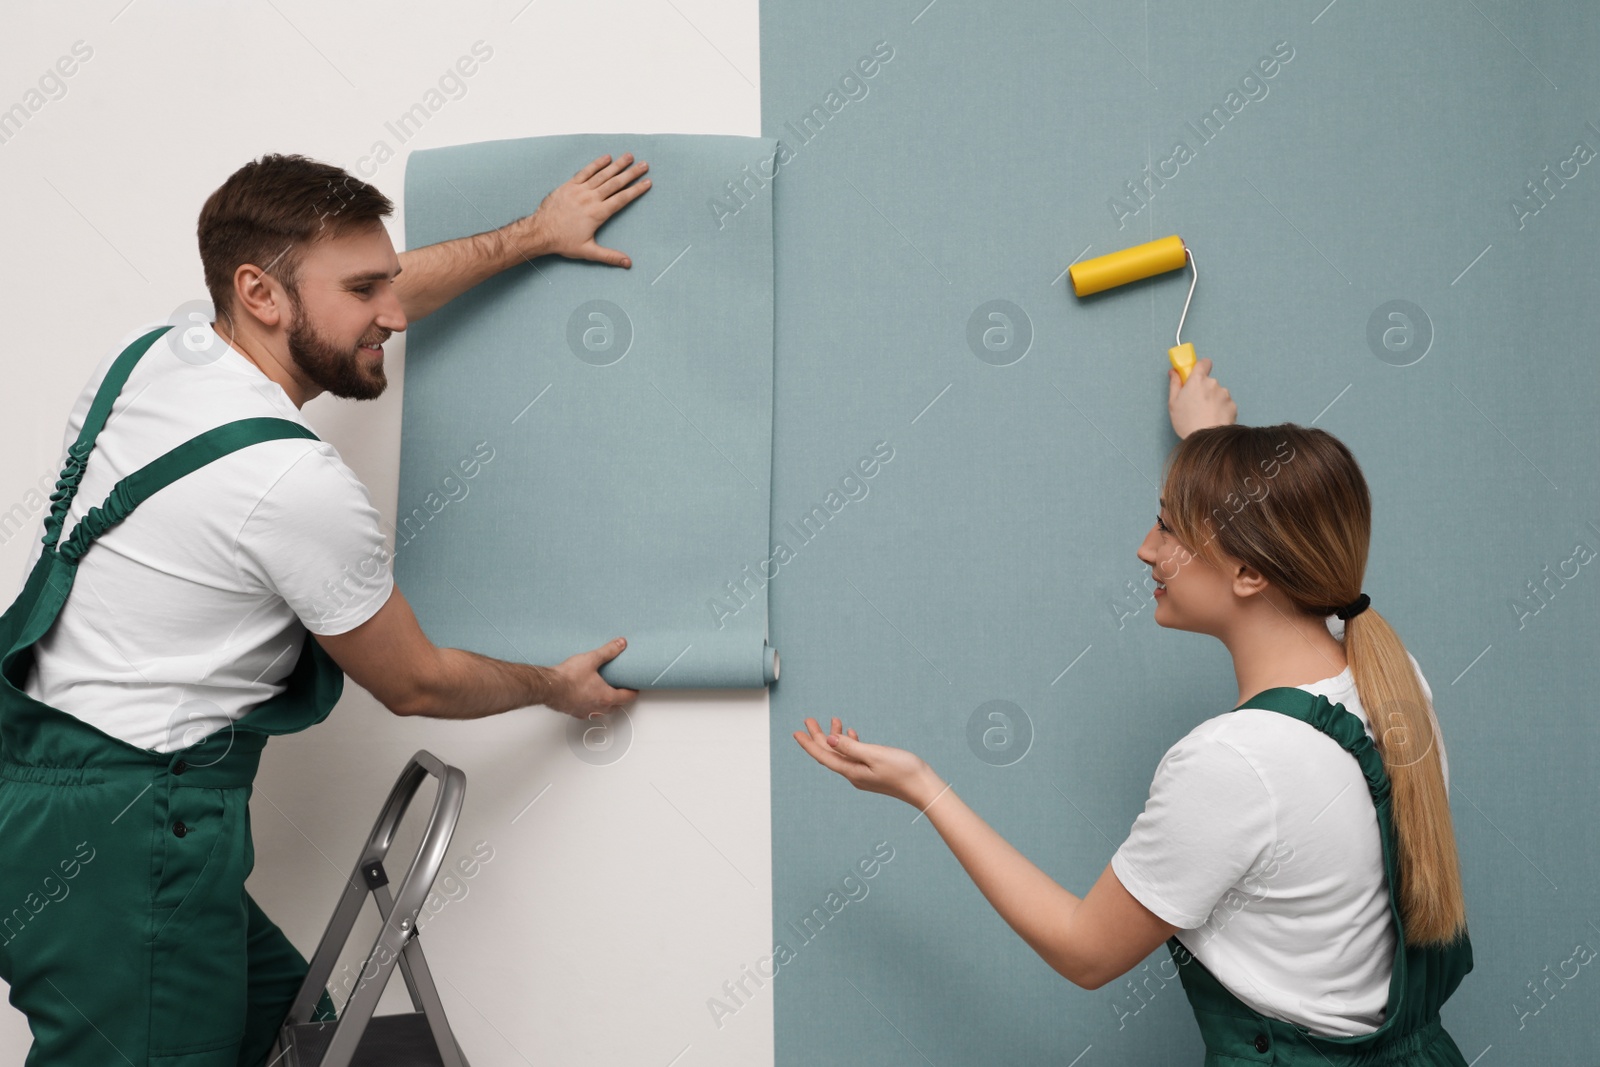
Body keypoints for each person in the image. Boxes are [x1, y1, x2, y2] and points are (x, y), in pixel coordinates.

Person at [0, 151, 649, 1066]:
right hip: (134, 823)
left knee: (295, 1032)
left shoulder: (157, 355)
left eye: (386, 281)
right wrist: (553, 684)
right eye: (363, 290)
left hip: (32, 787)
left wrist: (533, 235)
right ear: (260, 292)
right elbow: (415, 681)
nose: (391, 312)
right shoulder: (290, 480)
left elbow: (371, 292)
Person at [795, 359, 1473, 1064]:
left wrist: (922, 786)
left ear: (1250, 571)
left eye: (1169, 529)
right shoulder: (1393, 681)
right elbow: (1282, 541)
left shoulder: (1232, 764)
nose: (1146, 549)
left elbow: (1083, 949)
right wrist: (1212, 444)